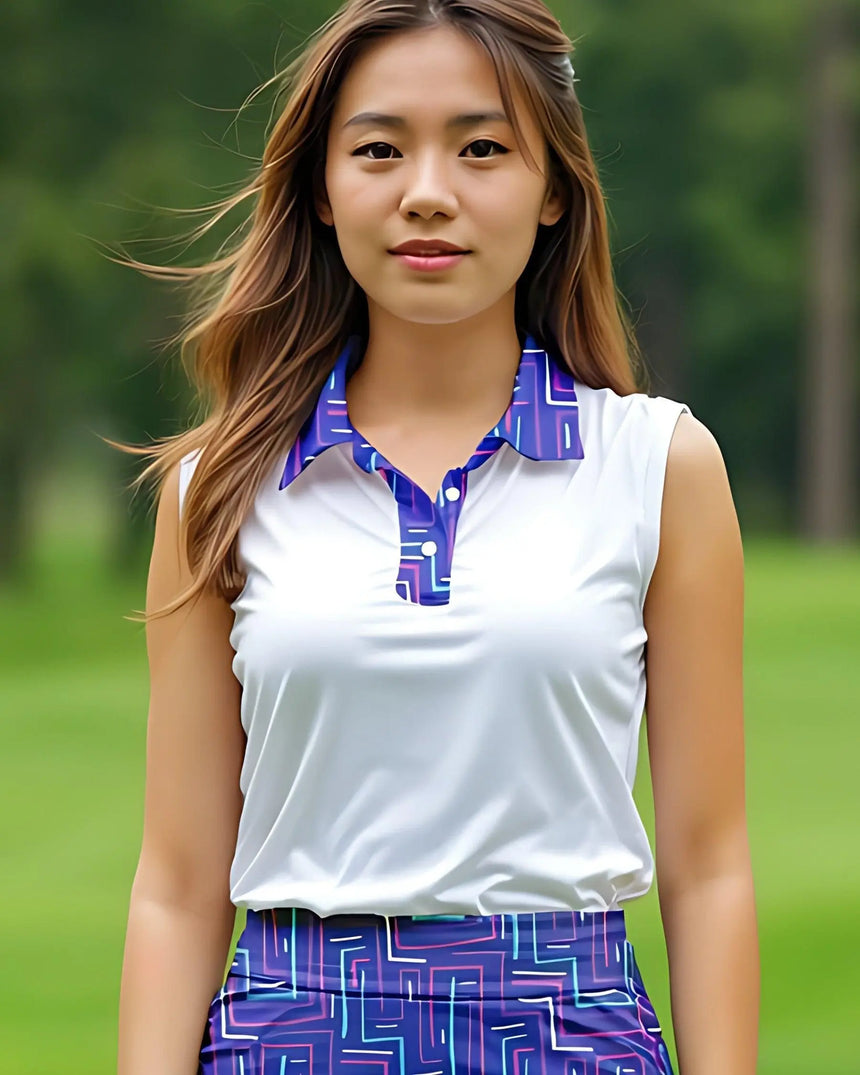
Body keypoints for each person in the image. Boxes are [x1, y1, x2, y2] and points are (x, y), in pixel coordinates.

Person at [113, 1, 759, 1073]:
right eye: (377, 149)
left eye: (481, 148)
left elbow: (708, 866)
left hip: (571, 1038)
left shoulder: (657, 468)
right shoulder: (216, 487)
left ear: (552, 186)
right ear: (321, 189)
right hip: (292, 1037)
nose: (426, 192)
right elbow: (178, 886)